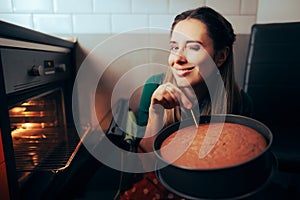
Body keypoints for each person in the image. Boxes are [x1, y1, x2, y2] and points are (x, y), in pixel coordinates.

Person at [120, 6, 253, 200]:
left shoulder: (241, 102)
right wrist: (156, 113)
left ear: (221, 57)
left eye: (193, 47)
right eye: (174, 47)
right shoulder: (153, 86)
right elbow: (145, 165)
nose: (178, 58)